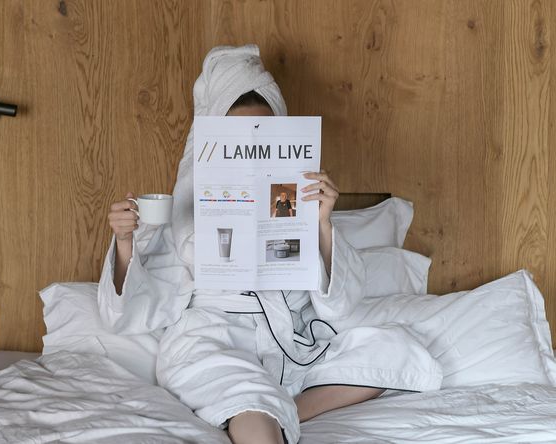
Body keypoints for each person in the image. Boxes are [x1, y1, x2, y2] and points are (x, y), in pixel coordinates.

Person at [98, 45, 442, 444]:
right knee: (251, 398)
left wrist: (323, 224)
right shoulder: (185, 218)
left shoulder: (301, 207)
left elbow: (341, 303)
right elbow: (132, 309)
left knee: (396, 348)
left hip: (290, 345)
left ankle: (286, 407)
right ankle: (264, 408)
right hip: (215, 344)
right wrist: (126, 241)